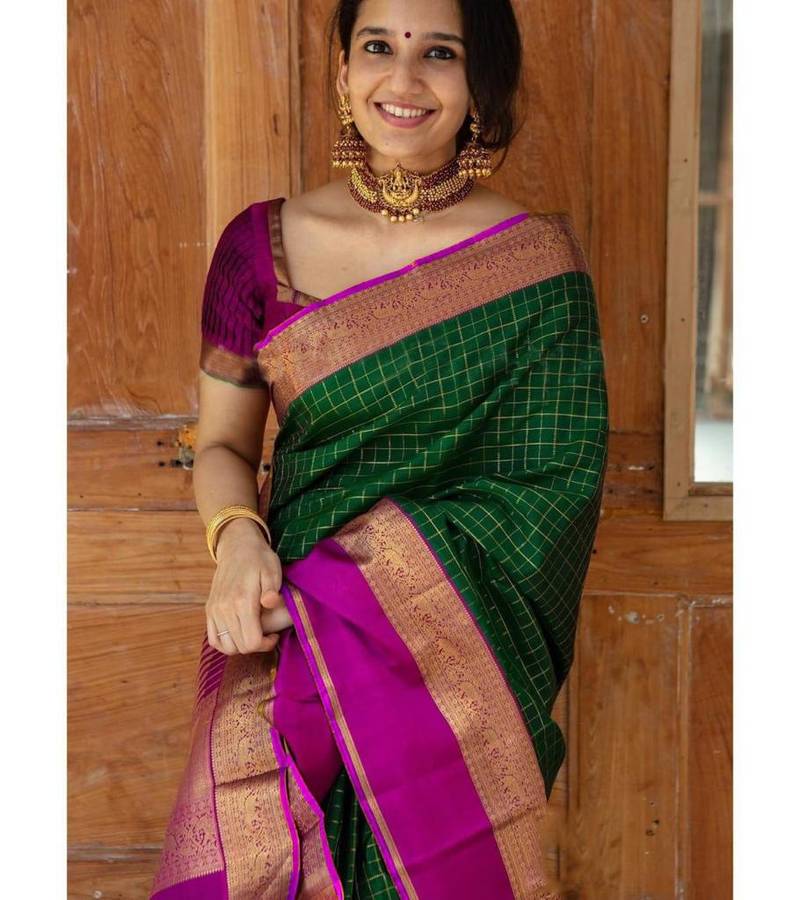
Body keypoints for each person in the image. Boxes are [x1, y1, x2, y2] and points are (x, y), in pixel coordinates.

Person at [150, 0, 609, 897]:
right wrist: (235, 543)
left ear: (480, 82)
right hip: (282, 637)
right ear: (341, 70)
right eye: (377, 47)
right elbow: (224, 444)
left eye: (439, 52)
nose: (402, 80)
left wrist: (357, 587)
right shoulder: (259, 247)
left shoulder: (538, 270)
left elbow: (549, 499)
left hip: (452, 674)